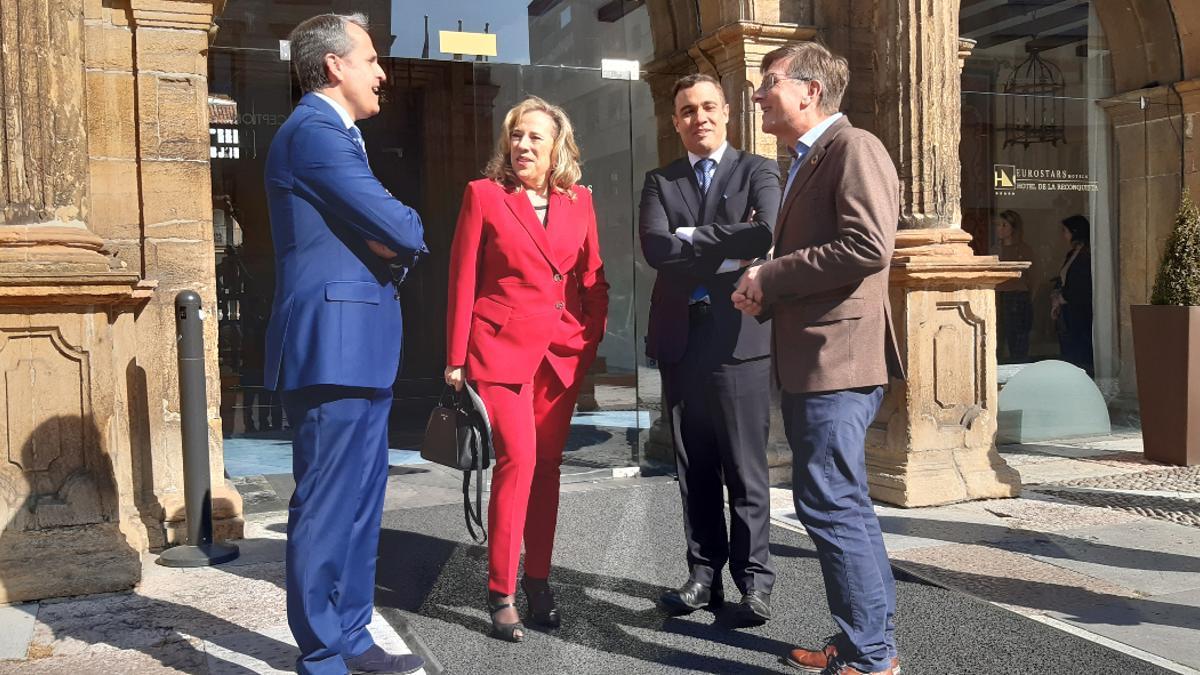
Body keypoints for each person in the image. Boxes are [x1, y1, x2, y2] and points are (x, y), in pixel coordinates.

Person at [733, 42, 905, 675]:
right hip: (819, 355)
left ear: (809, 90)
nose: (757, 95)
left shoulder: (854, 147)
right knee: (839, 500)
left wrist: (771, 274)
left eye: (768, 82)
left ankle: (870, 654)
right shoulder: (809, 158)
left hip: (840, 359)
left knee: (829, 501)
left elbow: (866, 246)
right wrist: (767, 290)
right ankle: (867, 643)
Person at [263, 13, 427, 675]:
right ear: (334, 65)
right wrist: (395, 229)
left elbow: (390, 233)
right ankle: (325, 650)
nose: (382, 72)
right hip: (332, 347)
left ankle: (353, 638)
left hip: (358, 345)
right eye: (370, 59)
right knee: (330, 505)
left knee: (361, 504)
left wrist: (391, 232)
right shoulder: (313, 133)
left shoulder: (340, 139)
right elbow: (404, 228)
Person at [444, 96, 609, 642]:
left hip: (559, 355)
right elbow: (463, 277)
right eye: (516, 136)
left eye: (536, 137)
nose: (523, 146)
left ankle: (539, 580)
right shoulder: (485, 196)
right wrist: (455, 357)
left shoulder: (579, 202)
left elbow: (593, 279)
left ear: (558, 145)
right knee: (518, 459)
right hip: (499, 351)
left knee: (548, 468)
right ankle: (501, 590)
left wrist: (589, 339)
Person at [638, 73, 780, 626]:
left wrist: (692, 236)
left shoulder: (758, 170)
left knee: (745, 467)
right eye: (686, 110)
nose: (699, 117)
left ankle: (754, 582)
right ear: (675, 121)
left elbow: (763, 233)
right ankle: (704, 576)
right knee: (692, 464)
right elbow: (654, 246)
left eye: (707, 107)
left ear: (726, 112)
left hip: (740, 340)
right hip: (681, 338)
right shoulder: (660, 179)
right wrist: (726, 249)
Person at [1052, 214, 1094, 375]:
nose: (1063, 235)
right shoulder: (1072, 254)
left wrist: (1064, 297)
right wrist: (1056, 295)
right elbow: (1064, 277)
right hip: (1068, 311)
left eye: (1065, 231)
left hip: (1080, 311)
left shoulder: (1087, 254)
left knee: (1080, 350)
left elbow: (1082, 284)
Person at [994, 210, 1036, 361]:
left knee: (1017, 338)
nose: (1000, 228)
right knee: (996, 336)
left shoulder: (1024, 250)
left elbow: (1033, 277)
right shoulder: (995, 250)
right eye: (998, 225)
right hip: (997, 298)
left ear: (1013, 227)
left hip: (1018, 298)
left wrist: (1029, 298)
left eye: (1004, 225)